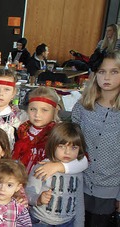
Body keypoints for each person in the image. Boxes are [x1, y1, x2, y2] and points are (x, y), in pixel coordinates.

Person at [71, 51, 120, 226]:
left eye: (114, 72)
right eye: (101, 71)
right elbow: (71, 141)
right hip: (78, 183)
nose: (107, 77)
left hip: (110, 189)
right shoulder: (83, 106)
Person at [26, 122, 87, 226]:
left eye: (73, 148)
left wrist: (80, 223)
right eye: (62, 146)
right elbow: (28, 193)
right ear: (53, 145)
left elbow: (79, 201)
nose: (67, 152)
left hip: (67, 222)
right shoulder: (42, 168)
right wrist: (39, 199)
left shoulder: (77, 172)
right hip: (41, 221)